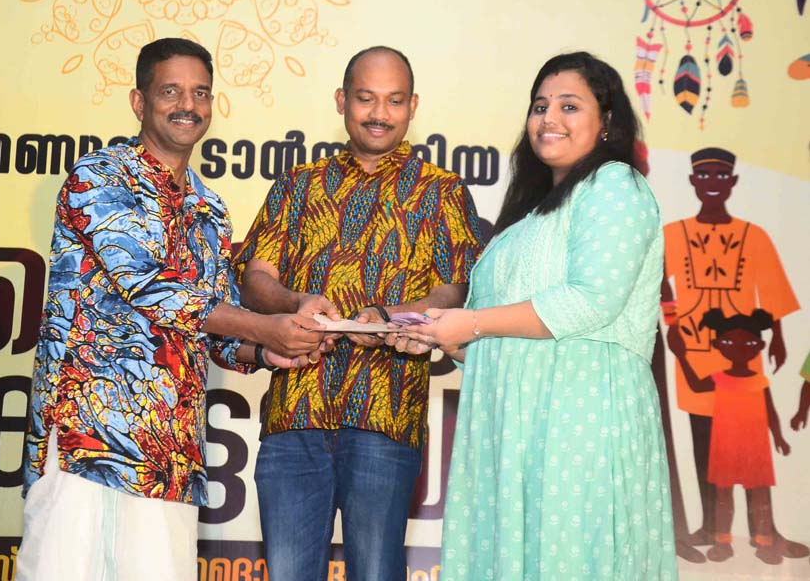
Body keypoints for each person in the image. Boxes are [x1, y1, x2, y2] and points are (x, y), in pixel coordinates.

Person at [15, 38, 326, 581]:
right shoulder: (101, 177)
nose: (188, 105)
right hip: (89, 436)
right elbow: (152, 288)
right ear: (139, 102)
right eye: (171, 92)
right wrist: (264, 328)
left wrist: (267, 352)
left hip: (169, 454)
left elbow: (216, 327)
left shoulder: (209, 208)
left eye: (200, 93)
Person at [392, 52, 678, 579]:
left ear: (606, 121)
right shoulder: (529, 216)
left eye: (569, 106)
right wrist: (447, 339)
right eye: (540, 106)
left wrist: (470, 324)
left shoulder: (616, 185)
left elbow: (592, 300)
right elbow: (508, 330)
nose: (549, 119)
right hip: (510, 427)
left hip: (579, 420)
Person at [232, 45, 482, 581]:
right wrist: (296, 303)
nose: (379, 113)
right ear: (342, 100)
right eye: (366, 98)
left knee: (376, 571)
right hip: (295, 411)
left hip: (386, 415)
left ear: (413, 106)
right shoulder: (298, 184)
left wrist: (390, 314)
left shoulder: (442, 192)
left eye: (394, 100)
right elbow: (255, 278)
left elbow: (454, 290)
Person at [660, 147, 803, 556]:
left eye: (721, 176)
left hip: (741, 357)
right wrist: (672, 324)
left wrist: (778, 335)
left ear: (733, 182)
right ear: (693, 181)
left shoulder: (753, 235)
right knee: (705, 443)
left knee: (750, 446)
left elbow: (770, 290)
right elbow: (661, 282)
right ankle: (710, 528)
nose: (713, 184)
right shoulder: (674, 233)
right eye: (705, 176)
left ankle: (765, 530)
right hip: (694, 352)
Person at [668, 309, 792, 564]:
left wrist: (778, 437)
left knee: (759, 496)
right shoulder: (718, 379)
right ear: (718, 345)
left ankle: (764, 542)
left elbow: (770, 412)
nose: (738, 348)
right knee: (723, 497)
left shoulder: (760, 381)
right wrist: (681, 355)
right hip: (725, 446)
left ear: (760, 346)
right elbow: (695, 385)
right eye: (729, 342)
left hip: (755, 447)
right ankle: (723, 542)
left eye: (748, 344)